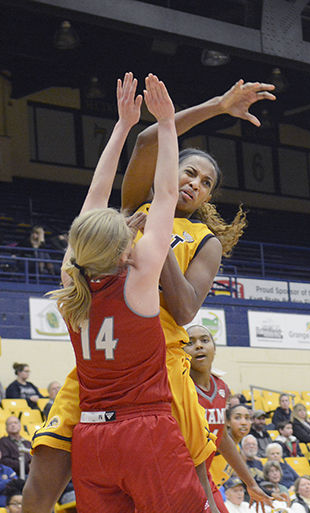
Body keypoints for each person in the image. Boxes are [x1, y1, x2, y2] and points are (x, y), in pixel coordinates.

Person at [24, 77, 276, 513]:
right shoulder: (141, 205)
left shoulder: (202, 240)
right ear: (173, 168)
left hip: (160, 364)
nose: (195, 183)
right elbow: (147, 141)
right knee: (43, 477)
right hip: (106, 371)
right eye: (190, 172)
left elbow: (183, 309)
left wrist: (157, 254)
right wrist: (216, 104)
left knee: (193, 486)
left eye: (206, 183)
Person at [44, 73, 220, 512]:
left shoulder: (71, 282)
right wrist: (162, 122)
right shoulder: (140, 284)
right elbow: (163, 194)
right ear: (127, 248)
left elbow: (95, 198)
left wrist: (124, 126)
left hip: (91, 437)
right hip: (144, 431)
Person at [184, 324, 271, 510]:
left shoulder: (222, 387)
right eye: (190, 342)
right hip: (180, 477)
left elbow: (222, 437)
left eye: (205, 340)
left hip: (205, 478)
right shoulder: (180, 387)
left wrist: (251, 483)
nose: (199, 346)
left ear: (214, 349)